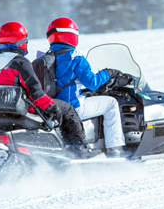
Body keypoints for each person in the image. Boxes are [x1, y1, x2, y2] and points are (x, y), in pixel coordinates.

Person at [0, 21, 88, 157]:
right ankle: (78, 149)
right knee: (67, 108)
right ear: (20, 42)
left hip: (0, 112)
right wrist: (50, 106)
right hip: (25, 108)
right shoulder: (20, 63)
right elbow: (34, 90)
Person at [32, 17, 128, 158]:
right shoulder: (75, 58)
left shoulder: (44, 59)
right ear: (71, 35)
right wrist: (109, 73)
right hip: (74, 108)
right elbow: (92, 83)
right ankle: (115, 149)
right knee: (111, 103)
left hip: (52, 108)